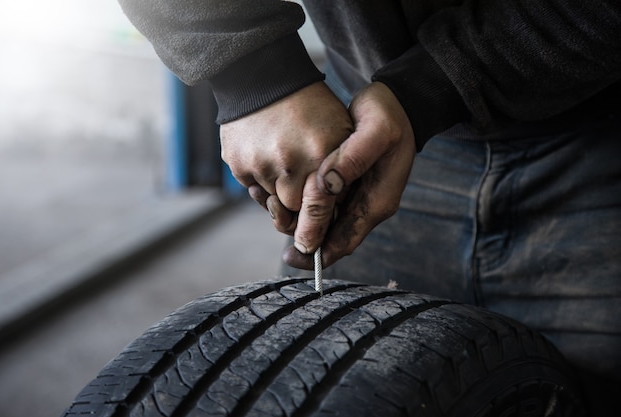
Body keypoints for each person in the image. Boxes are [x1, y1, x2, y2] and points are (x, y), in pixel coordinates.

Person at [117, 1, 621, 414]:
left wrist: (428, 88)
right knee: (298, 385)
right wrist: (254, 78)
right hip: (367, 128)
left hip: (594, 131)